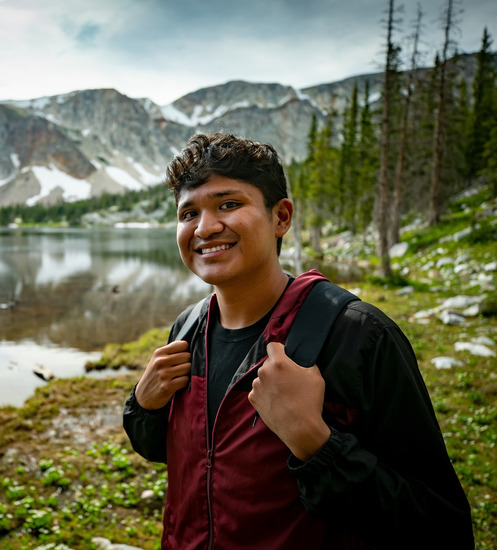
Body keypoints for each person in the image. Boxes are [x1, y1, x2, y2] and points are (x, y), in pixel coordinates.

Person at [123, 132, 474, 549]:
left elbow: (440, 525)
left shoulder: (358, 335)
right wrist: (143, 405)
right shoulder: (187, 329)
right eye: (188, 213)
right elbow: (180, 456)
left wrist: (314, 442)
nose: (205, 227)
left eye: (229, 204)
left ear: (281, 217)